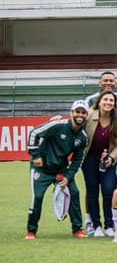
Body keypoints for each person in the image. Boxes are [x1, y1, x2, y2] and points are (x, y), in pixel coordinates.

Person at [24, 100, 89, 239]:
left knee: (74, 193)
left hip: (61, 169)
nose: (80, 115)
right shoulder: (58, 125)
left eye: (83, 113)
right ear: (71, 113)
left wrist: (68, 176)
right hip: (41, 169)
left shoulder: (83, 138)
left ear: (86, 116)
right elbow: (35, 132)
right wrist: (35, 155)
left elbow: (77, 160)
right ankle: (31, 231)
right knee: (38, 197)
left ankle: (77, 229)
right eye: (77, 112)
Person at [82, 91, 117, 237]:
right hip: (90, 158)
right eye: (105, 100)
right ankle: (96, 225)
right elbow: (75, 125)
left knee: (108, 190)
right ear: (99, 101)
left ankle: (109, 224)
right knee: (92, 190)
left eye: (111, 100)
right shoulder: (89, 114)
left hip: (108, 159)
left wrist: (112, 158)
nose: (108, 103)